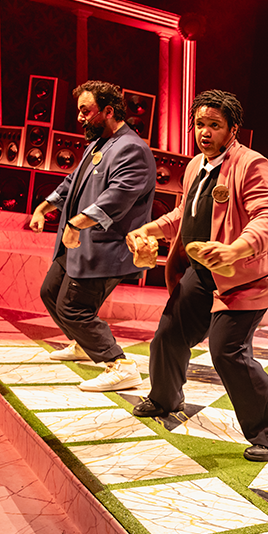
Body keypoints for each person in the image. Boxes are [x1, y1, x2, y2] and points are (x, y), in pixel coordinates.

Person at [125, 90, 268, 463]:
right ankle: (165, 398)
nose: (204, 132)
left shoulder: (252, 164)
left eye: (214, 125)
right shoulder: (194, 167)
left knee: (227, 351)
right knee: (168, 335)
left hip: (245, 275)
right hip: (203, 272)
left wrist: (234, 250)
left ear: (232, 130)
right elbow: (184, 217)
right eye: (200, 124)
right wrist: (149, 230)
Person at [30, 80, 156, 392]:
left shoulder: (132, 149)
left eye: (86, 111)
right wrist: (45, 205)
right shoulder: (98, 143)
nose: (80, 118)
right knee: (50, 293)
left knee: (75, 309)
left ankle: (120, 365)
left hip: (105, 248)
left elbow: (117, 197)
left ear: (108, 111)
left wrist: (75, 225)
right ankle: (82, 343)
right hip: (77, 243)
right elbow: (73, 180)